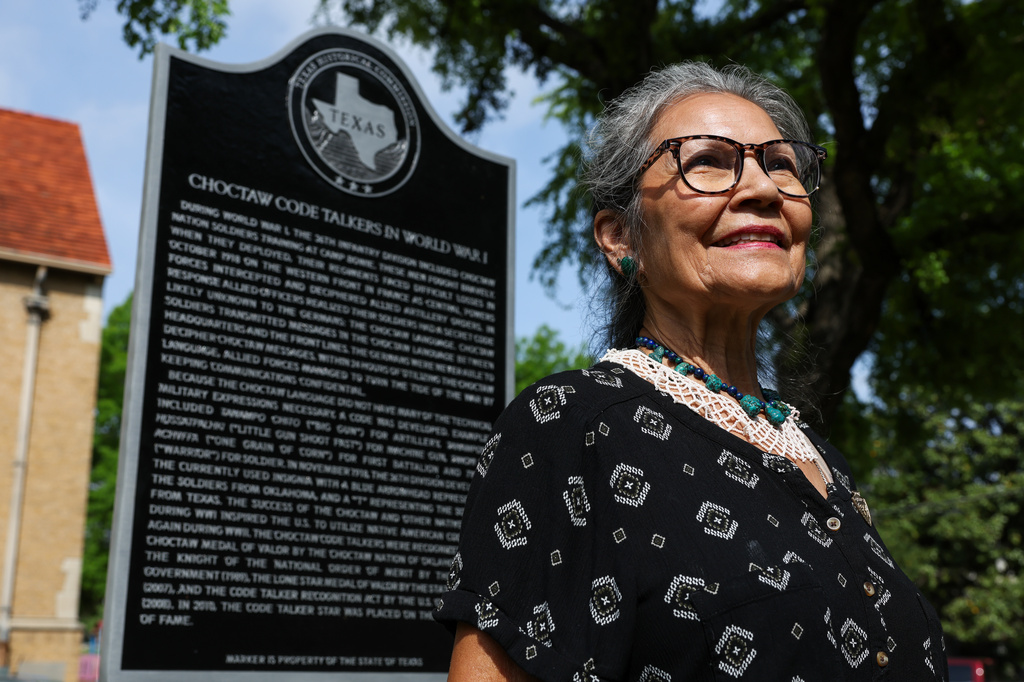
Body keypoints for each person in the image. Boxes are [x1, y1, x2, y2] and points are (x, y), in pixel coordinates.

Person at [434, 62, 948, 681]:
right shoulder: (575, 426)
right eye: (706, 160)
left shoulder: (818, 456)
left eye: (781, 164)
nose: (762, 189)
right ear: (621, 237)